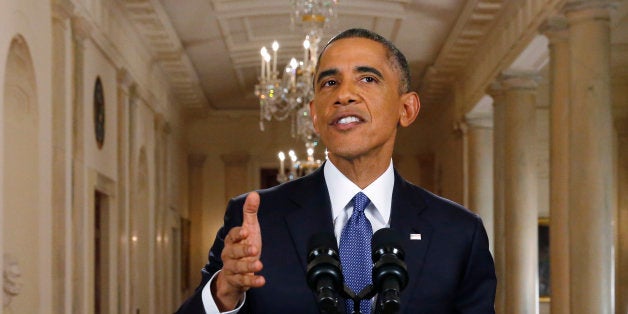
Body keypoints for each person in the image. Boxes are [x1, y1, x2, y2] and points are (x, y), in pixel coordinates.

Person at [176, 28, 496, 314]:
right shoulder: (254, 220)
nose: (343, 95)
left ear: (406, 108)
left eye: (367, 79)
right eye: (330, 82)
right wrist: (223, 293)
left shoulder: (458, 232)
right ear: (315, 115)